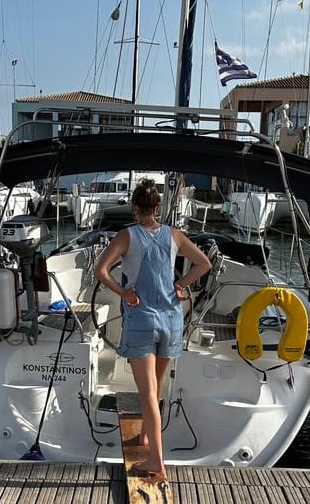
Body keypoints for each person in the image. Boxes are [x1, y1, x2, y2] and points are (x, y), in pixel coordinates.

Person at [94, 178, 212, 476]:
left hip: (142, 320)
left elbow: (101, 271)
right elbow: (204, 264)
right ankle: (147, 435)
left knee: (146, 392)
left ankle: (156, 460)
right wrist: (181, 285)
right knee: (156, 388)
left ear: (134, 207)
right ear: (157, 207)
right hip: (171, 319)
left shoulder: (126, 236)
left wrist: (123, 293)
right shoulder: (174, 234)